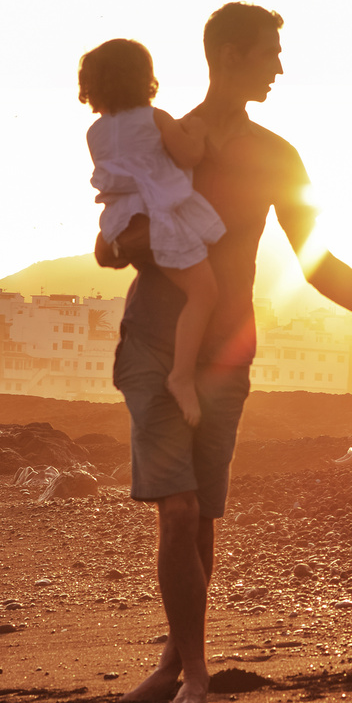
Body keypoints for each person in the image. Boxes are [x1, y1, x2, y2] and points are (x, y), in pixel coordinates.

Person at [95, 1, 352, 703]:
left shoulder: (278, 156)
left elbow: (316, 262)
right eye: (269, 52)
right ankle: (195, 674)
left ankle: (174, 662)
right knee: (177, 510)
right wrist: (142, 243)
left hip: (228, 352)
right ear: (229, 55)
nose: (280, 66)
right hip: (155, 342)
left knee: (201, 513)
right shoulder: (159, 139)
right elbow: (108, 244)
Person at [81, 37, 224, 427]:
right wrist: (195, 131)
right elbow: (189, 155)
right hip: (158, 220)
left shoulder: (94, 133)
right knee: (204, 293)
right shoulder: (155, 118)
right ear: (143, 78)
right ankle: (181, 375)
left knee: (159, 272)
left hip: (119, 225)